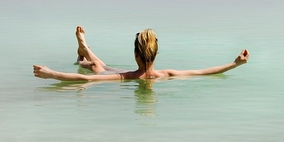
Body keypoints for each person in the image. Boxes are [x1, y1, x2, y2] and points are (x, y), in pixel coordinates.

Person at [33, 26, 249, 82]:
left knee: (96, 67)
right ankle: (84, 48)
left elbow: (83, 79)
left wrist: (52, 74)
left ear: (136, 54)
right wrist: (234, 64)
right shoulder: (167, 75)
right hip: (126, 73)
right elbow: (203, 73)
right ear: (155, 55)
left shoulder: (126, 77)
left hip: (120, 74)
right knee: (98, 66)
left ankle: (84, 48)